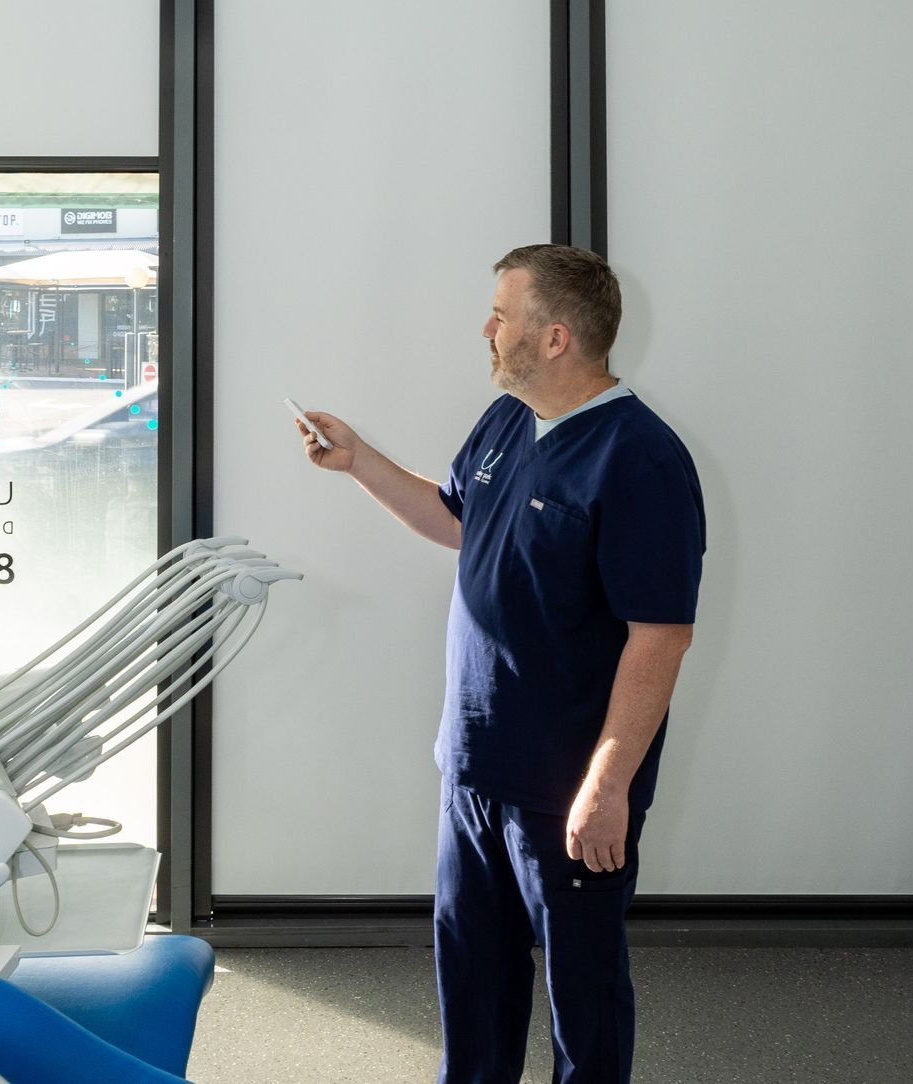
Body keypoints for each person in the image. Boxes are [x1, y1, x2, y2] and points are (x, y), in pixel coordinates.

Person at [295, 244, 704, 1084]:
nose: (487, 330)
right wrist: (359, 460)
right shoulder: (508, 418)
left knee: (583, 999)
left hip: (566, 786)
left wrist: (607, 785)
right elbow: (456, 520)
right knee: (474, 984)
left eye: (502, 315)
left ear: (555, 338)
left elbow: (660, 636)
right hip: (475, 764)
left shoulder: (641, 458)